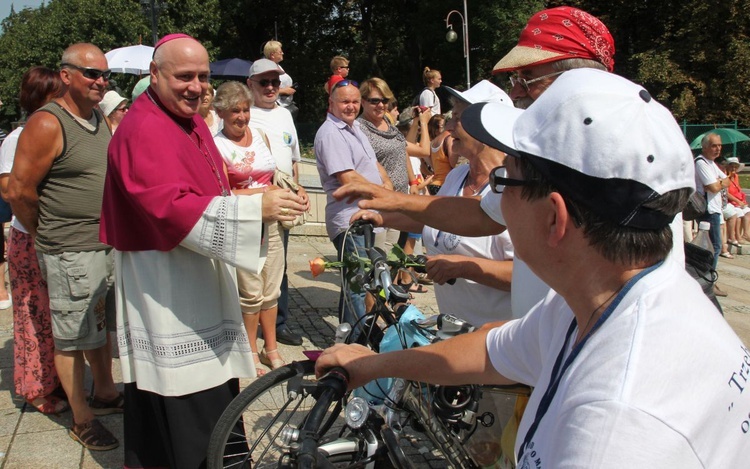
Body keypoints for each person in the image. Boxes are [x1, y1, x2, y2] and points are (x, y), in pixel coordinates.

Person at [318, 69, 750, 468]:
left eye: (505, 180)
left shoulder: (612, 428)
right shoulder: (606, 297)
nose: (493, 201)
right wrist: (375, 364)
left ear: (554, 218)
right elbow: (490, 349)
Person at [100, 33, 306, 467]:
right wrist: (254, 207)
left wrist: (262, 201)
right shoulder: (144, 128)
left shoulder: (188, 119)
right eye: (184, 76)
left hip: (194, 271)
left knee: (210, 386)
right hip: (167, 281)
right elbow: (167, 206)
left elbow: (213, 184)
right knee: (185, 391)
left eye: (202, 77)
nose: (196, 86)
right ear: (155, 75)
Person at [6, 43, 122, 451]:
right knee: (71, 336)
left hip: (102, 243)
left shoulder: (95, 119)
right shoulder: (47, 122)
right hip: (68, 248)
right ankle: (82, 417)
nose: (101, 81)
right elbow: (19, 190)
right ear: (67, 75)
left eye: (106, 75)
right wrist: (47, 233)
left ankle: (105, 393)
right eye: (92, 74)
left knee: (99, 327)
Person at [355, 81, 521, 325]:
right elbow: (432, 217)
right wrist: (381, 217)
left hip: (499, 339)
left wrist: (464, 267)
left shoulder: (512, 189)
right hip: (455, 329)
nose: (449, 127)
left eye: (459, 118)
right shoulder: (457, 176)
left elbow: (526, 276)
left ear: (489, 128)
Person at [213, 81, 306, 374]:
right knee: (250, 292)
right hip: (244, 224)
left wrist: (293, 186)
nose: (241, 117)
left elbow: (273, 172)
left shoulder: (260, 135)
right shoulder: (218, 145)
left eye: (244, 109)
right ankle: (249, 351)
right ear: (221, 113)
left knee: (272, 289)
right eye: (234, 112)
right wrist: (261, 195)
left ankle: (272, 347)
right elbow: (221, 193)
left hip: (273, 221)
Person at [0, 66, 66, 415]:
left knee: (52, 317)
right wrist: (41, 228)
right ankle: (35, 389)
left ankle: (56, 381)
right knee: (32, 315)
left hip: (50, 236)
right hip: (31, 239)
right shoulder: (18, 138)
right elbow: (11, 189)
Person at [314, 79, 391, 336]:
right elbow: (347, 179)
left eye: (355, 101)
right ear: (331, 103)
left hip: (365, 216)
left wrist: (387, 183)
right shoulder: (331, 133)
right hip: (350, 220)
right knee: (358, 288)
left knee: (356, 285)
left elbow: (371, 163)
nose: (351, 106)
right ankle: (355, 346)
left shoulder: (354, 126)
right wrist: (384, 194)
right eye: (345, 101)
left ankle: (347, 339)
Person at [247, 58, 307, 346]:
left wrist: (299, 188)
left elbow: (294, 158)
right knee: (249, 265)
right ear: (251, 85)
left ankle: (277, 323)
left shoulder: (285, 115)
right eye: (264, 82)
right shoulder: (241, 112)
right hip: (251, 200)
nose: (271, 88)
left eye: (275, 82)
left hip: (282, 199)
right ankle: (245, 323)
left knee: (278, 265)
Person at [357, 78, 429, 260]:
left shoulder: (390, 127)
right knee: (376, 260)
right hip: (377, 203)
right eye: (375, 101)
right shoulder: (358, 129)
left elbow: (402, 151)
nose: (381, 105)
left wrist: (412, 181)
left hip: (397, 201)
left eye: (385, 101)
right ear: (363, 101)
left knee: (391, 257)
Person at [694, 133, 730, 295]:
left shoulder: (712, 164)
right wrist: (716, 184)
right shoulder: (701, 163)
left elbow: (726, 180)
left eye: (719, 145)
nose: (718, 149)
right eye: (714, 145)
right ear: (705, 146)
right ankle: (708, 280)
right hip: (708, 210)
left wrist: (717, 183)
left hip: (715, 209)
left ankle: (708, 279)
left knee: (714, 247)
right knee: (712, 248)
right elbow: (713, 187)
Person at [264, 40, 298, 120]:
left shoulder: (278, 66)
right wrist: (283, 91)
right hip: (276, 107)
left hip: (286, 106)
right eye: (280, 52)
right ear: (272, 55)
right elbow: (264, 89)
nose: (282, 53)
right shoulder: (268, 68)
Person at [425, 114, 456, 195]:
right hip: (445, 185)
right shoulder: (449, 138)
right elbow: (454, 164)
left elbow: (432, 164)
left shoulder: (433, 142)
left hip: (435, 184)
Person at [725, 156, 750, 243]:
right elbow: (726, 193)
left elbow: (738, 189)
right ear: (727, 166)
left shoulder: (736, 176)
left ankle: (746, 234)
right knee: (738, 213)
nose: (734, 168)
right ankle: (737, 236)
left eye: (735, 166)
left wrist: (742, 201)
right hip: (730, 202)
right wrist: (737, 201)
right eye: (732, 166)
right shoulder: (725, 177)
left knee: (747, 212)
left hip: (737, 202)